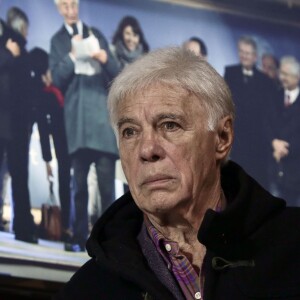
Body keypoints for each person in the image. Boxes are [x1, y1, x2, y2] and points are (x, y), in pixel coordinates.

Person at [55, 47, 300, 299]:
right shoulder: (86, 291)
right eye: (130, 131)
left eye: (169, 125)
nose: (147, 150)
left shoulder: (292, 246)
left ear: (222, 138)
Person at [50, 0, 120, 251]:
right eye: (64, 5)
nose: (70, 9)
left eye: (72, 4)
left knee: (106, 188)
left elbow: (118, 71)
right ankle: (79, 236)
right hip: (77, 120)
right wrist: (71, 55)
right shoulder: (58, 41)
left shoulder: (96, 34)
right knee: (79, 186)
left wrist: (104, 58)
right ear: (58, 8)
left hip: (101, 120)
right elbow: (56, 79)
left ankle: (109, 242)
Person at [0, 7, 37, 243]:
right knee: (17, 176)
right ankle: (23, 228)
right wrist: (8, 54)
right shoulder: (10, 49)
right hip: (7, 121)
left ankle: (23, 228)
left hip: (18, 124)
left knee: (20, 177)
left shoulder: (24, 53)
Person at [27, 47, 72, 240]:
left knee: (67, 183)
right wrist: (46, 160)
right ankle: (65, 226)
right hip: (64, 141)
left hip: (71, 139)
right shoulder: (44, 94)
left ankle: (67, 226)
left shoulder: (61, 88)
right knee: (65, 182)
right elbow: (44, 130)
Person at [224, 36, 274, 190]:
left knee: (255, 181)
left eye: (248, 53)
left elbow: (267, 112)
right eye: (242, 52)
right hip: (235, 136)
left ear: (255, 56)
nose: (244, 56)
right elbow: (225, 102)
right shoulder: (230, 72)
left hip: (257, 140)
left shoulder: (265, 80)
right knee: (232, 181)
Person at [269, 56, 300, 207]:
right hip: (273, 167)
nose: (282, 78)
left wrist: (285, 148)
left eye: (286, 74)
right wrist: (273, 142)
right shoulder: (274, 96)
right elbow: (266, 124)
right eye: (282, 73)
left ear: (297, 77)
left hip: (295, 171)